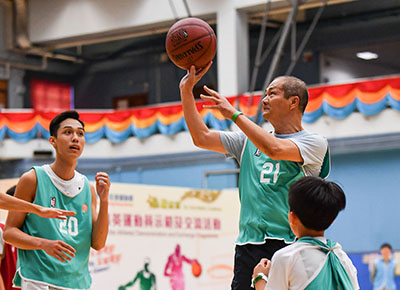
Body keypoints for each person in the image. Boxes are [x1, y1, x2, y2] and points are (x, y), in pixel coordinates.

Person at [179, 63, 329, 289]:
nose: (264, 99)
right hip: (249, 245)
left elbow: (275, 149)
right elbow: (201, 136)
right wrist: (186, 91)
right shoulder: (247, 142)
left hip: (290, 244)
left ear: (293, 102)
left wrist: (234, 114)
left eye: (272, 93)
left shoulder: (314, 143)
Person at [3, 110, 111, 290]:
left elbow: (98, 244)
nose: (75, 138)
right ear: (53, 141)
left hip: (77, 283)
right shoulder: (33, 179)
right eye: (68, 132)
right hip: (38, 280)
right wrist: (43, 244)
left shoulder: (88, 189)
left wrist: (105, 201)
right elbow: (9, 232)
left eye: (80, 133)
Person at [252, 176, 359, 290]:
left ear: (292, 217)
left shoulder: (286, 257)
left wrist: (259, 278)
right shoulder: (341, 257)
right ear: (332, 221)